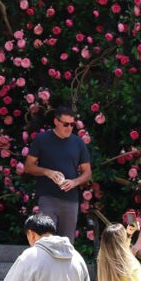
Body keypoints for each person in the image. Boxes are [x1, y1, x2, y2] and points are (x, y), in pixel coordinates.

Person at [21, 103, 91, 243]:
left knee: (66, 244)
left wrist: (74, 182)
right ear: (56, 121)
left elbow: (87, 173)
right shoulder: (42, 139)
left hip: (70, 200)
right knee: (45, 242)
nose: (69, 128)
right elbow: (28, 166)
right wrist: (46, 171)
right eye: (66, 124)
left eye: (72, 125)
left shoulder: (78, 143)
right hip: (48, 198)